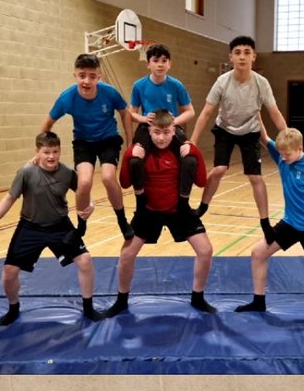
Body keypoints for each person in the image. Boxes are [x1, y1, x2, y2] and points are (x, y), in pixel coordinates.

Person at [103, 112, 215, 317]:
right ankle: (121, 300)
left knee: (205, 250)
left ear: (174, 131)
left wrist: (194, 152)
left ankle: (198, 297)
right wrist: (129, 154)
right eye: (156, 132)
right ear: (149, 131)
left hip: (178, 210)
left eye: (166, 132)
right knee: (126, 255)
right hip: (148, 211)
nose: (161, 138)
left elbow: (201, 182)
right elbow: (125, 182)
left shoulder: (180, 151)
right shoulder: (143, 153)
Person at [0, 133, 100, 328]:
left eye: (55, 152)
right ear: (38, 152)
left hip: (60, 225)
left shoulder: (67, 173)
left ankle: (88, 307)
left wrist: (91, 204)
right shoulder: (26, 173)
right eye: (46, 152)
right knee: (9, 271)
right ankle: (13, 308)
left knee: (85, 261)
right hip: (30, 227)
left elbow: (83, 193)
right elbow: (9, 198)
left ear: (60, 151)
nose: (51, 156)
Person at [236, 128, 304, 311]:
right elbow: (264, 136)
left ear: (299, 148)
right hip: (290, 224)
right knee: (258, 253)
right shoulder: (282, 158)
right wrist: (257, 105)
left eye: (287, 154)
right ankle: (259, 301)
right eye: (281, 154)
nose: (283, 158)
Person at [190, 35, 287, 227]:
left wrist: (287, 136)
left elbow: (274, 112)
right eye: (237, 53)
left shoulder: (262, 83)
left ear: (254, 57)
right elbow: (206, 113)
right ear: (231, 57)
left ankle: (265, 221)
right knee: (219, 169)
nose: (242, 57)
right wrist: (192, 141)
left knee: (255, 177)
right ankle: (202, 206)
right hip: (224, 129)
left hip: (250, 131)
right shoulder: (222, 82)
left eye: (247, 52)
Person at [43, 52, 133, 239]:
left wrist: (130, 142)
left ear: (98, 77)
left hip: (108, 139)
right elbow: (47, 124)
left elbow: (125, 112)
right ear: (75, 74)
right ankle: (81, 224)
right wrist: (41, 151)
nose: (86, 81)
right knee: (83, 183)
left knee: (108, 178)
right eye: (82, 75)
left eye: (92, 77)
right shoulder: (67, 98)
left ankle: (122, 220)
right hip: (83, 142)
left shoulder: (109, 92)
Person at [126, 44, 198, 204]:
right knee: (135, 160)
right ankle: (141, 202)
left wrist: (174, 122)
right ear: (148, 64)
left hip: (170, 128)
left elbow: (190, 111)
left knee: (190, 160)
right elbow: (131, 113)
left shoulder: (176, 85)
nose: (160, 64)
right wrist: (143, 119)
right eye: (156, 60)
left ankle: (183, 201)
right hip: (148, 127)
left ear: (169, 64)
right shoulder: (139, 85)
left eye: (164, 60)